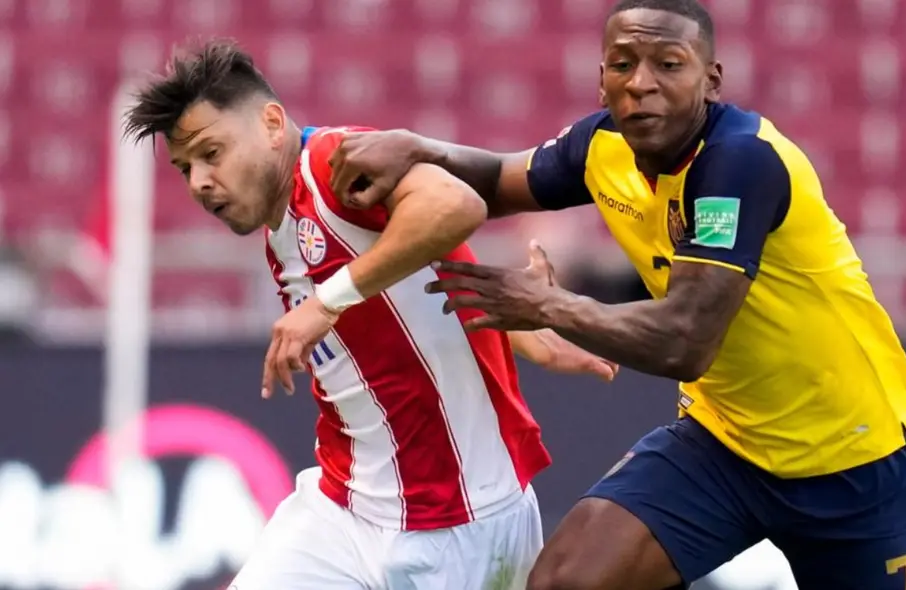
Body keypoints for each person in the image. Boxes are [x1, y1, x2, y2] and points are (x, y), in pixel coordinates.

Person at [322, 0, 906, 588]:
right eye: (623, 64)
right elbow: (495, 179)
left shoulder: (741, 163)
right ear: (601, 80)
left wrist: (547, 306)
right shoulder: (602, 147)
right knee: (571, 580)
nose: (641, 82)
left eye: (668, 65)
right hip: (725, 443)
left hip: (852, 459)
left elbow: (686, 341)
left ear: (711, 79)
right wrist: (419, 147)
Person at [123, 40, 619, 590]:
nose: (198, 182)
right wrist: (519, 326)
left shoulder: (337, 163)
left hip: (461, 519)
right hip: (343, 508)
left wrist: (326, 301)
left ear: (270, 123)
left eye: (212, 154)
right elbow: (424, 263)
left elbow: (457, 205)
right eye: (185, 167)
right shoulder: (280, 227)